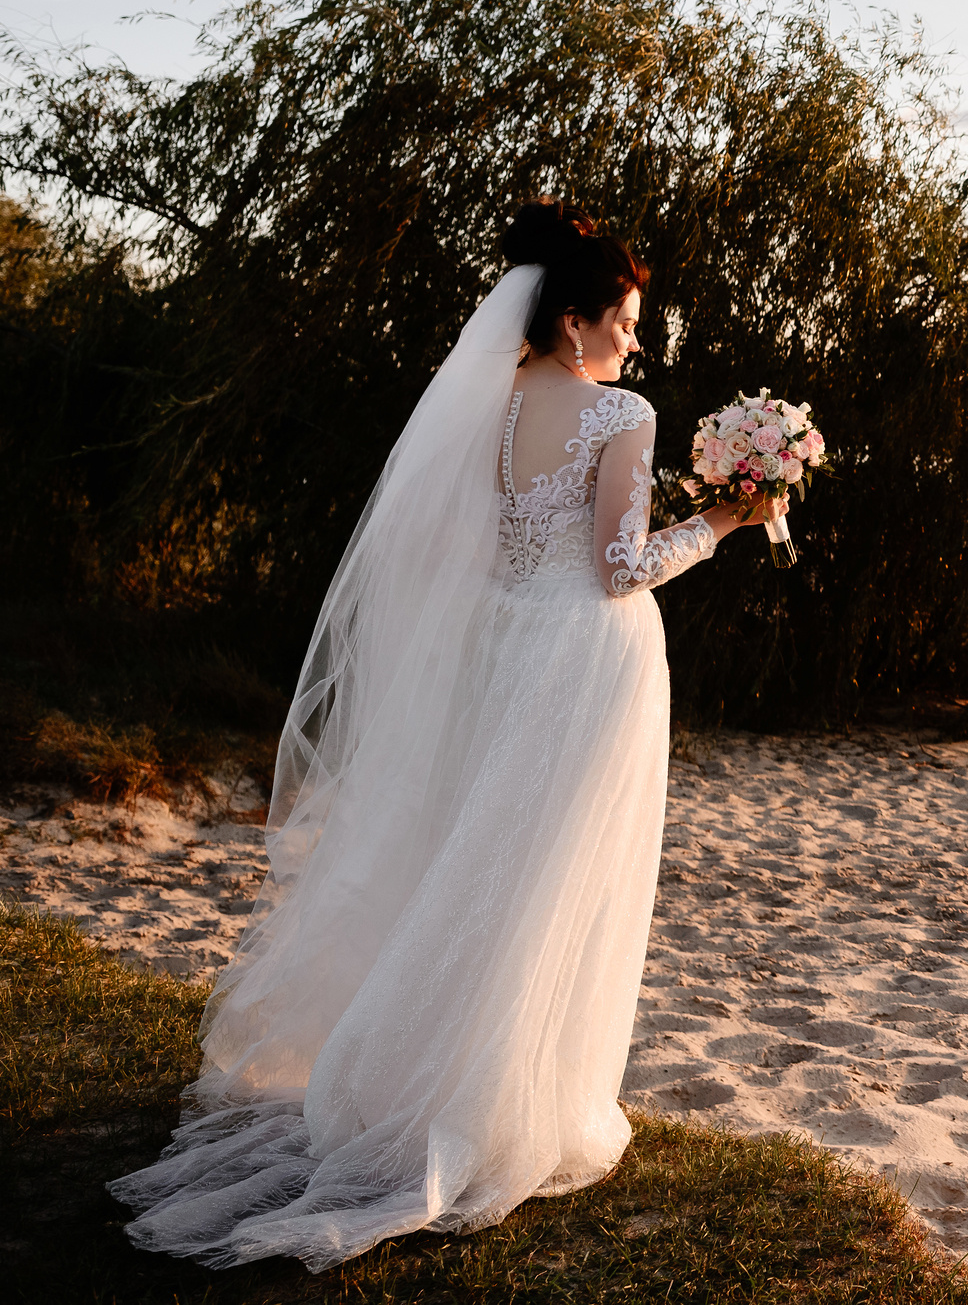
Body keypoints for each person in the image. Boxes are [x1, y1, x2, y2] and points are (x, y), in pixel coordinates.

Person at [111, 201, 784, 1270]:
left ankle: (406, 1074)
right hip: (581, 661)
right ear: (575, 322)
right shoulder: (624, 417)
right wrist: (722, 524)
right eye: (627, 321)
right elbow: (618, 570)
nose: (638, 343)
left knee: (477, 863)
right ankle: (495, 1103)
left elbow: (466, 542)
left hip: (505, 645)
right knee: (541, 881)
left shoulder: (489, 399)